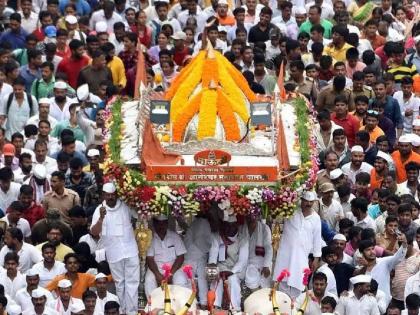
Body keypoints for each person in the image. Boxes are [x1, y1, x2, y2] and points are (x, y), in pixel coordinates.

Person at [90, 182, 139, 314]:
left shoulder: (125, 205)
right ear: (103, 195)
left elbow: (139, 214)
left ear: (116, 194)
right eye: (107, 195)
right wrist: (101, 218)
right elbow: (94, 232)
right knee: (120, 284)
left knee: (133, 282)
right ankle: (123, 311)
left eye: (112, 195)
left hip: (130, 250)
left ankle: (132, 312)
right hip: (113, 252)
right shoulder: (99, 210)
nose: (110, 197)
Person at [273, 191, 321, 298]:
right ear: (302, 201)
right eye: (306, 201)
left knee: (298, 283)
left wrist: (316, 258)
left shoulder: (316, 218)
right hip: (286, 254)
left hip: (302, 256)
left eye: (310, 202)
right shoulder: (290, 212)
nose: (308, 204)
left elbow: (317, 239)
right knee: (282, 284)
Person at [208, 214, 248, 311]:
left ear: (236, 225)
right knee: (216, 279)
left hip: (237, 269)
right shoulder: (217, 237)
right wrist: (213, 273)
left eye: (232, 225)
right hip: (221, 267)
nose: (230, 228)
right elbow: (212, 257)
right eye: (227, 225)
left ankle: (235, 308)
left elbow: (242, 261)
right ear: (224, 225)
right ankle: (215, 307)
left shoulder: (243, 239)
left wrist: (231, 272)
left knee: (233, 280)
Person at [240, 215, 272, 290]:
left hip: (263, 263)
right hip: (247, 264)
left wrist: (266, 265)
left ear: (258, 216)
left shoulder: (264, 228)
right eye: (249, 216)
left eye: (254, 216)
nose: (252, 218)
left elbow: (269, 248)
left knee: (265, 291)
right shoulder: (241, 229)